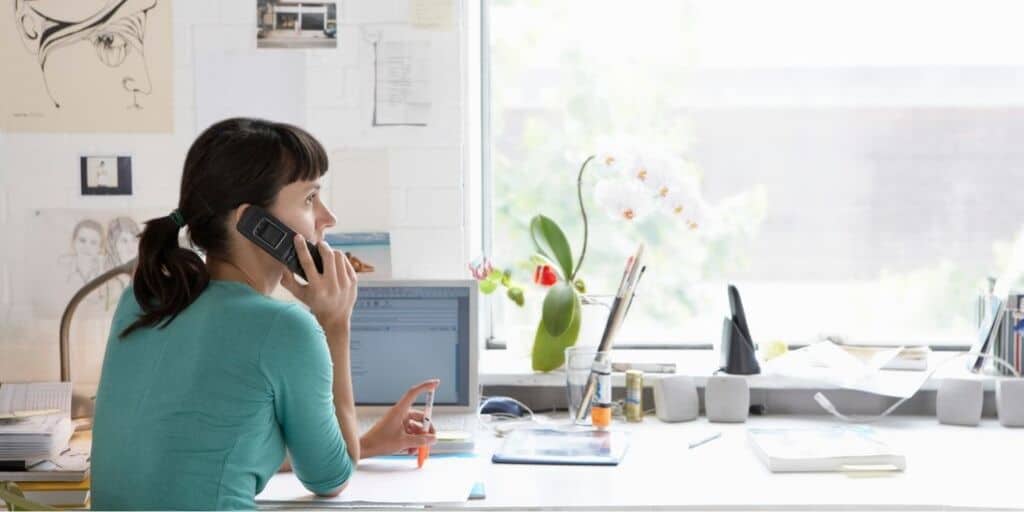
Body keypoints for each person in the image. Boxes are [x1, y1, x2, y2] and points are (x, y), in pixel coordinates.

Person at [91, 118, 438, 510]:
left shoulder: (141, 302)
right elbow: (331, 477)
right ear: (254, 223)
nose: (328, 217)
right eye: (309, 199)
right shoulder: (285, 328)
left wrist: (367, 442)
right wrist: (335, 324)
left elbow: (206, 451)